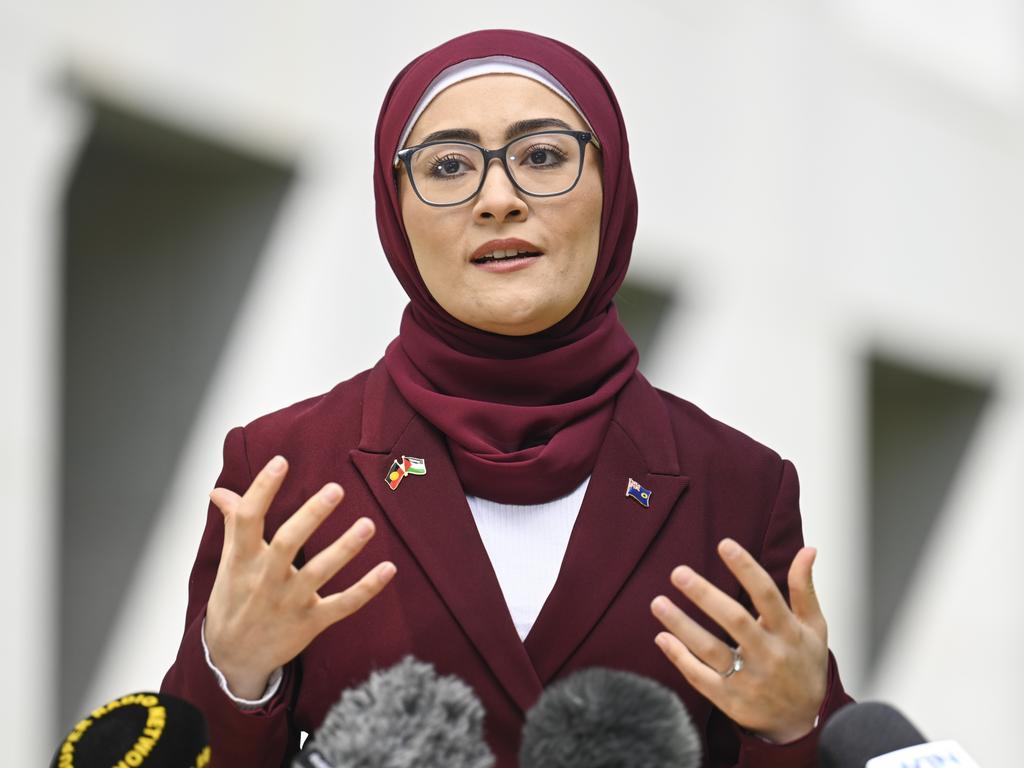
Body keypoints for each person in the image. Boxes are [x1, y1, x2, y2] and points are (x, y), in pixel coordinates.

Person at [161, 29, 852, 768]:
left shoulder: (737, 485)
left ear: (610, 184)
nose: (498, 201)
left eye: (543, 157)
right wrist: (237, 679)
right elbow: (182, 748)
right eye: (449, 166)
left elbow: (811, 733)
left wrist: (789, 729)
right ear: (394, 208)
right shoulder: (288, 468)